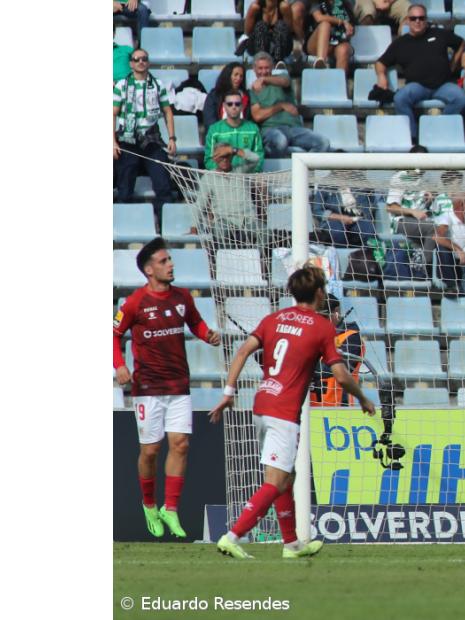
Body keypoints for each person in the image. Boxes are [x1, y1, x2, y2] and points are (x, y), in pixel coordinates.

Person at [213, 266, 375, 559]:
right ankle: (233, 536)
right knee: (276, 481)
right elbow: (340, 375)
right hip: (284, 411)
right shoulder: (322, 326)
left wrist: (228, 393)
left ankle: (291, 545)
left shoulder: (273, 319)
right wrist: (362, 397)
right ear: (319, 293)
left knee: (287, 476)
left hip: (262, 403)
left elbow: (241, 352)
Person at [113, 238, 222, 539]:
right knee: (150, 450)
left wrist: (206, 335)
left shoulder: (183, 297)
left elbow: (196, 323)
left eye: (170, 259)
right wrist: (119, 365)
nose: (170, 264)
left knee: (181, 444)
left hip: (178, 385)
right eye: (164, 261)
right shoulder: (134, 303)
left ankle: (170, 509)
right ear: (149, 270)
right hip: (148, 387)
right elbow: (113, 335)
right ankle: (149, 504)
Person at [375, 3, 465, 143]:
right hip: (417, 86)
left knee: (461, 98)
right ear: (407, 20)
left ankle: (438, 129)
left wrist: (454, 63)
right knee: (400, 98)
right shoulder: (400, 43)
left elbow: (462, 43)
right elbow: (380, 62)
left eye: (421, 18)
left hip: (442, 85)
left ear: (426, 19)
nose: (417, 21)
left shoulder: (440, 34)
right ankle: (412, 136)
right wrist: (382, 77)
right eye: (413, 18)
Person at [113, 48, 177, 210]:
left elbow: (168, 111)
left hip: (151, 140)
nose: (140, 62)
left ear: (148, 62)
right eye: (136, 59)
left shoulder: (157, 84)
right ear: (131, 64)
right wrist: (113, 142)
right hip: (127, 141)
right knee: (124, 189)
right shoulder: (122, 85)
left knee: (163, 186)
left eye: (144, 59)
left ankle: (165, 229)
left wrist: (172, 138)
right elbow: (112, 114)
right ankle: (122, 229)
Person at [250, 53, 332, 158]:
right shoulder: (253, 91)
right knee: (280, 141)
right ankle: (277, 173)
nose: (264, 71)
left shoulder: (281, 77)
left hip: (294, 128)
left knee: (323, 142)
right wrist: (281, 106)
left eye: (267, 68)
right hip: (271, 129)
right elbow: (258, 116)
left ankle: (306, 171)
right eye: (260, 68)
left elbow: (285, 82)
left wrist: (263, 79)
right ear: (254, 69)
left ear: (272, 67)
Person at [385, 145, 437, 271]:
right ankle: (423, 266)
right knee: (434, 228)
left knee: (443, 227)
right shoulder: (400, 177)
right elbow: (391, 208)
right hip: (401, 221)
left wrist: (431, 198)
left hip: (422, 222)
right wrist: (413, 212)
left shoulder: (426, 180)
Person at [311, 295, 368, 407]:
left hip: (338, 410)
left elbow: (339, 368)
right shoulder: (311, 336)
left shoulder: (351, 337)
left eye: (322, 317)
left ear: (336, 313)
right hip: (309, 411)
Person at [204, 92, 264, 173]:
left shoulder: (253, 129)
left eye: (237, 104)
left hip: (247, 177)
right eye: (229, 104)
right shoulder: (214, 130)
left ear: (242, 106)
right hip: (222, 178)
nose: (234, 107)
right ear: (224, 106)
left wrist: (254, 176)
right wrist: (223, 173)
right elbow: (209, 159)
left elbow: (259, 157)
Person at [308, 0, 356, 71]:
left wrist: (350, 31)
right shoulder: (316, 3)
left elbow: (352, 25)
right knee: (325, 25)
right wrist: (341, 21)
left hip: (338, 41)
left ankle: (340, 80)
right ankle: (321, 62)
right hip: (317, 43)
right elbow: (319, 18)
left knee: (343, 50)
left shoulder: (346, 3)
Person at [203, 63, 252, 128]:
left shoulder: (246, 96)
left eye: (241, 76)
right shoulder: (214, 95)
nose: (238, 78)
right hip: (219, 133)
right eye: (236, 75)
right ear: (228, 75)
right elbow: (209, 119)